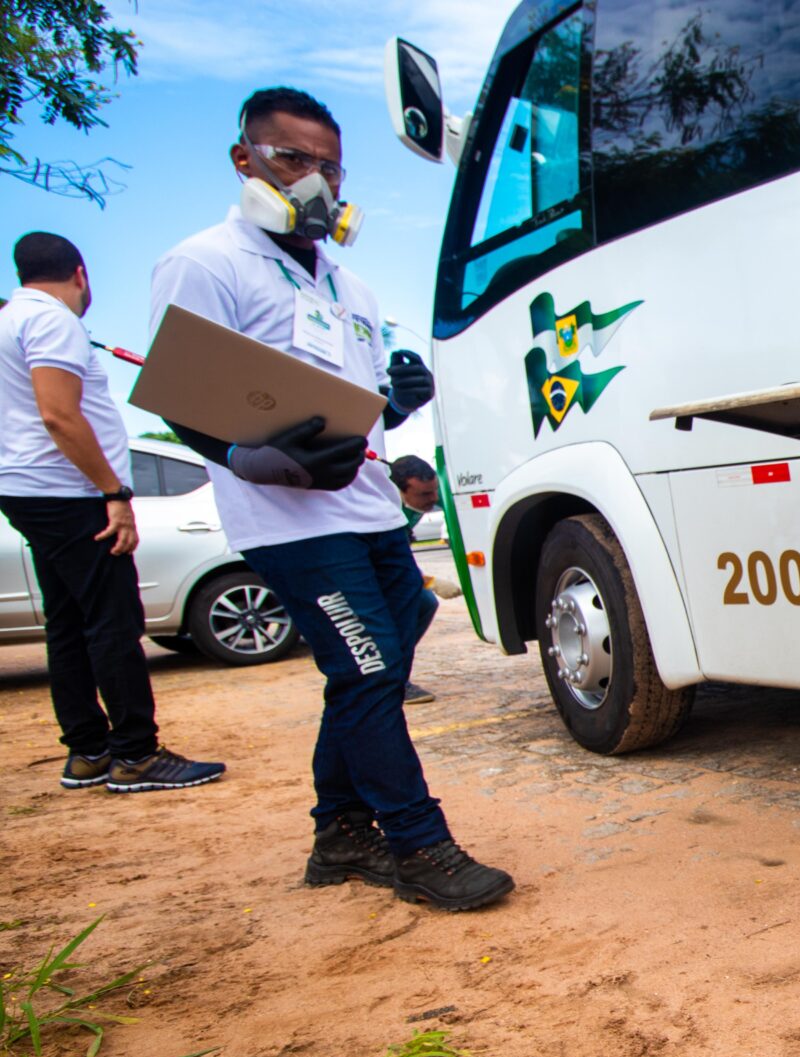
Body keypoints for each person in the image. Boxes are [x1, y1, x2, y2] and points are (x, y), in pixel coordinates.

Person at [149, 87, 512, 911]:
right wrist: (247, 456)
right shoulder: (205, 262)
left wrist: (397, 401)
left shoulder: (347, 283)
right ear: (245, 160)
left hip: (368, 507)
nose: (317, 181)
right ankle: (418, 846)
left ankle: (341, 834)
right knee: (368, 665)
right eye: (293, 160)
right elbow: (183, 394)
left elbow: (342, 407)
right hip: (288, 521)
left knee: (384, 654)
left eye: (331, 167)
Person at [0, 233, 225, 794]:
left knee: (68, 622)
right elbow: (59, 415)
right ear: (80, 274)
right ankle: (136, 754)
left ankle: (87, 751)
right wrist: (115, 493)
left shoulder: (9, 320)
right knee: (112, 621)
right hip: (66, 491)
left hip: (28, 488)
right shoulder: (52, 321)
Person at [387, 453, 440, 706]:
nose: (434, 500)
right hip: (373, 571)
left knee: (425, 604)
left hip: (397, 567)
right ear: (400, 491)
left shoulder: (417, 503)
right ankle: (395, 682)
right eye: (424, 495)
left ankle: (393, 670)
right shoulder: (387, 509)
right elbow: (392, 560)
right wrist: (430, 581)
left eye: (434, 492)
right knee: (410, 605)